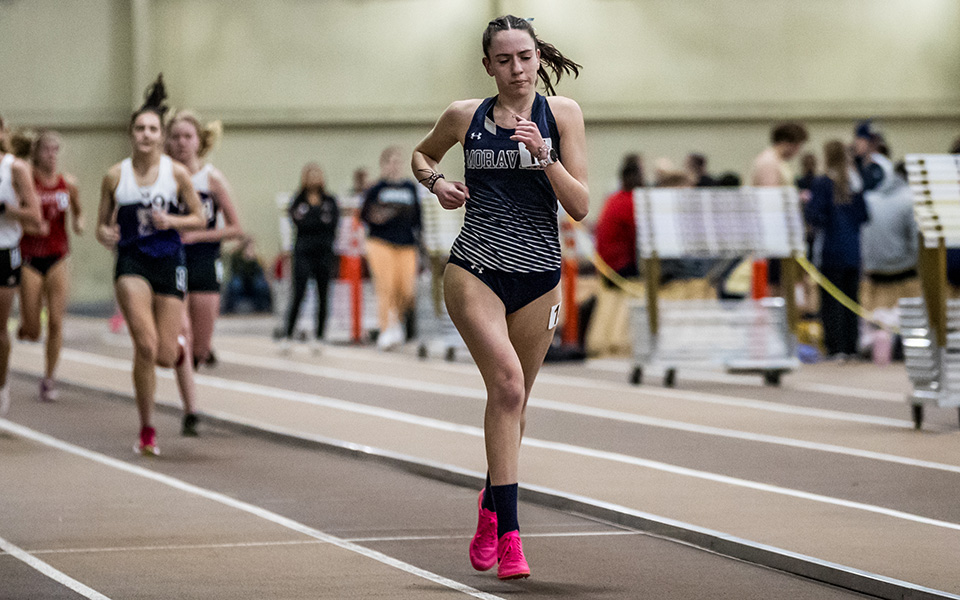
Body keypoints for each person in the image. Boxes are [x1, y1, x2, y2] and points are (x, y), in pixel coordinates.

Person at [411, 15, 588, 580]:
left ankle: (491, 506)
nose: (517, 69)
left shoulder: (562, 116)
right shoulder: (465, 117)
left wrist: (547, 158)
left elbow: (581, 205)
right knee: (507, 385)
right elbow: (423, 155)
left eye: (525, 57)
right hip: (476, 267)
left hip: (539, 275)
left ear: (539, 58)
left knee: (515, 404)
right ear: (488, 65)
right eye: (504, 60)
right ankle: (512, 536)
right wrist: (438, 185)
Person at [95, 75, 204, 455]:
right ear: (131, 134)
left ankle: (174, 345)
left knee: (163, 355)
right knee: (144, 345)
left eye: (152, 128)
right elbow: (101, 226)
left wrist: (172, 222)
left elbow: (200, 217)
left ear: (161, 135)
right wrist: (106, 234)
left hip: (169, 259)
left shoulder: (176, 173)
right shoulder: (115, 176)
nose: (145, 134)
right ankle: (147, 428)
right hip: (132, 262)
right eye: (139, 128)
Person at [16, 130, 84, 403]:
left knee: (56, 321)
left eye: (56, 150)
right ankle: (25, 327)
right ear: (36, 152)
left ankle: (49, 378)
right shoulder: (25, 180)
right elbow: (14, 214)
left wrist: (79, 223)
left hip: (57, 255)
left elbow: (79, 210)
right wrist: (29, 224)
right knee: (33, 330)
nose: (52, 155)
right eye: (47, 150)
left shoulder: (67, 183)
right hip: (29, 256)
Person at [804, 140, 869, 359]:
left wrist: (806, 204)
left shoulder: (823, 183)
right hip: (853, 250)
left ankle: (836, 346)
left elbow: (815, 216)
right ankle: (851, 345)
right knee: (852, 298)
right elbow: (864, 217)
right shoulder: (855, 183)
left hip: (831, 250)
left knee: (832, 301)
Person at [0, 116, 44, 416]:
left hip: (4, 252)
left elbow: (35, 216)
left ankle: (1, 386)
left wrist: (6, 209)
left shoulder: (14, 168)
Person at [361, 147, 421, 350]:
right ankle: (386, 328)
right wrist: (380, 216)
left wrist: (422, 243)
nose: (394, 166)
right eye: (390, 162)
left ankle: (397, 321)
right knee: (385, 286)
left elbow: (417, 218)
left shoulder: (409, 187)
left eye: (397, 162)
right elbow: (365, 215)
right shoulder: (376, 189)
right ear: (384, 165)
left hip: (406, 244)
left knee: (406, 289)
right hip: (381, 242)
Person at [280, 162, 339, 353]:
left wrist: (313, 221)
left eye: (317, 175)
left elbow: (332, 224)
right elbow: (299, 223)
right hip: (304, 252)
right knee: (299, 293)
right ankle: (288, 334)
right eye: (310, 175)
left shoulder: (330, 200)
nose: (314, 179)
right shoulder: (298, 200)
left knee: (323, 295)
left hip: (324, 252)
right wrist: (317, 220)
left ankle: (320, 336)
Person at [751, 122, 809, 296]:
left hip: (780, 232)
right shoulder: (769, 162)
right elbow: (771, 199)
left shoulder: (777, 161)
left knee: (784, 282)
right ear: (788, 143)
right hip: (772, 234)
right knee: (775, 283)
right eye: (798, 145)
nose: (798, 151)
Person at [223, 236, 272, 313]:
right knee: (236, 284)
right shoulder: (236, 256)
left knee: (260, 285)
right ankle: (231, 309)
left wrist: (252, 260)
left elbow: (257, 271)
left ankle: (261, 308)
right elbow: (235, 270)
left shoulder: (256, 258)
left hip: (252, 280)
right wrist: (245, 259)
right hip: (241, 279)